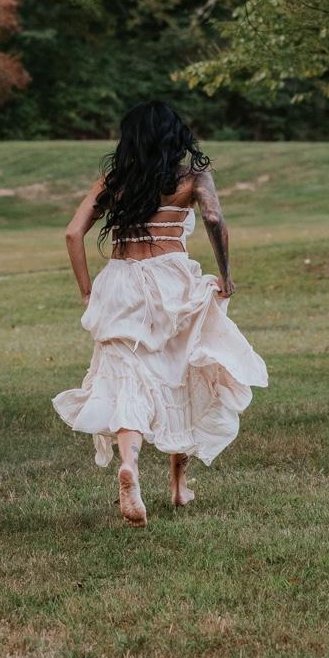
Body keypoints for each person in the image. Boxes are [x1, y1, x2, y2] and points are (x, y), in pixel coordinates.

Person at [52, 102, 267, 526]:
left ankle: (129, 464)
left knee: (128, 377)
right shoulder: (192, 178)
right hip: (171, 281)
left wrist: (87, 291)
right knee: (182, 372)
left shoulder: (115, 182)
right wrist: (225, 275)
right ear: (176, 136)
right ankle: (178, 485)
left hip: (120, 282)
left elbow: (73, 233)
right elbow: (213, 217)